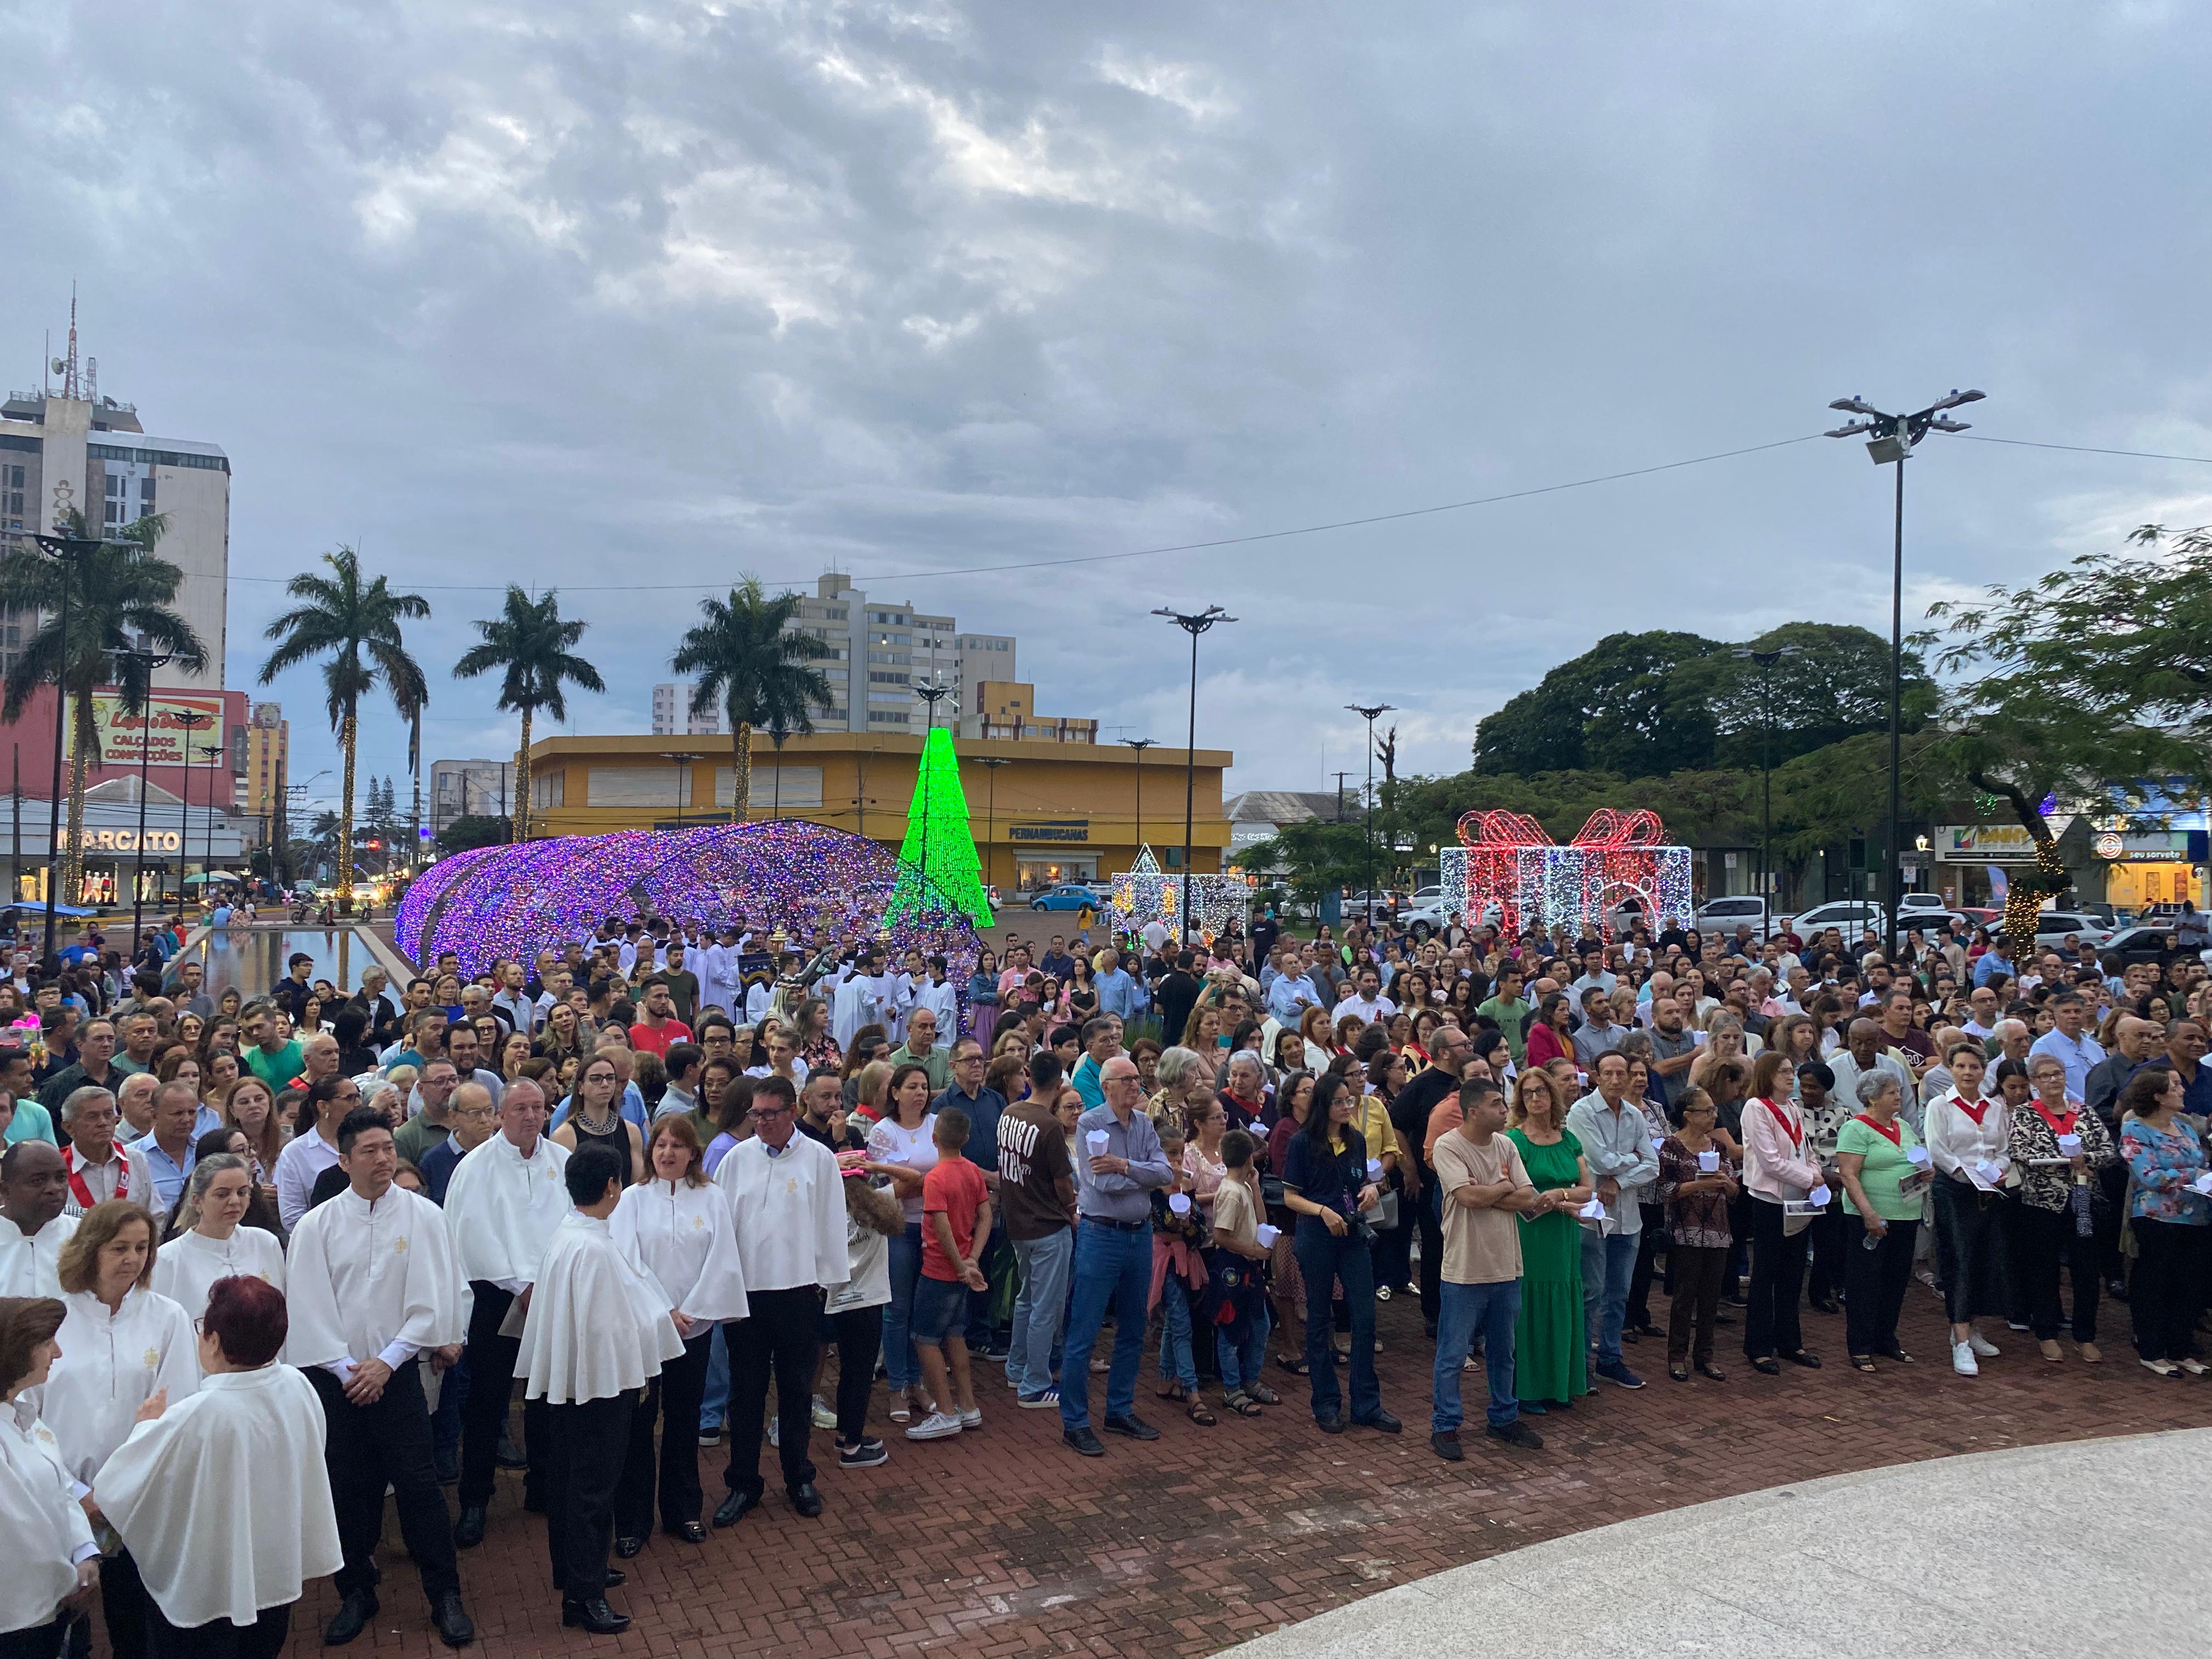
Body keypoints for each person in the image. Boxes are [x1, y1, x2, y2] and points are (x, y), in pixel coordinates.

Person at [285, 1106, 473, 1648]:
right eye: (369, 1151)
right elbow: (309, 1307)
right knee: (349, 1488)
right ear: (344, 1161)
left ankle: (444, 1593)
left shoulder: (423, 1217)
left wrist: (385, 1363)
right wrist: (349, 1369)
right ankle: (357, 1591)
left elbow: (432, 1301)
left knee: (418, 1486)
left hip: (396, 1375)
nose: (383, 1159)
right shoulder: (318, 1225)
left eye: (388, 1148)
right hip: (337, 1380)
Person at [91, 1276, 342, 1659]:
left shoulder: (196, 1414)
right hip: (271, 1567)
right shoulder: (297, 1385)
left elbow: (117, 1487)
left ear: (215, 1341)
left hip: (206, 1587)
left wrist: (146, 1425)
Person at [518, 1147, 684, 1637]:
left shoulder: (570, 1234)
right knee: (592, 1489)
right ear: (611, 1187)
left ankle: (573, 1569)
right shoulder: (591, 1247)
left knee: (572, 1480)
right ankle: (583, 1598)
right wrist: (659, 1324)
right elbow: (610, 1327)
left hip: (572, 1379)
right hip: (598, 1385)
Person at [46, 1201, 198, 1659]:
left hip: (141, 1497)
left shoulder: (167, 1316)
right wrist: (78, 1495)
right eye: (119, 1248)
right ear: (90, 1250)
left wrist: (123, 1489)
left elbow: (178, 1409)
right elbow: (28, 1418)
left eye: (142, 1248)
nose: (132, 1259)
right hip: (65, 1498)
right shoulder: (53, 1316)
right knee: (64, 1622)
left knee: (137, 1625)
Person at [710, 1075, 847, 1525]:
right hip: (746, 1297)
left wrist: (828, 1284)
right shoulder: (735, 1160)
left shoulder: (819, 1159)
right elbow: (721, 1227)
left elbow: (830, 1221)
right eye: (756, 1114)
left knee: (795, 1392)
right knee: (745, 1395)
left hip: (797, 1292)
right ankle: (743, 1483)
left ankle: (798, 1477)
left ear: (792, 1111)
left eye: (771, 1113)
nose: (762, 1122)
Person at [609, 1118, 748, 1553]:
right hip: (647, 1329)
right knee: (638, 1423)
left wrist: (691, 1310)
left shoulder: (711, 1197)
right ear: (650, 1151)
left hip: (695, 1326)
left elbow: (722, 1256)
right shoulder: (632, 1199)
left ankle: (683, 1510)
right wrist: (661, 1310)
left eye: (677, 1146)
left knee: (684, 1421)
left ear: (693, 1153)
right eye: (661, 1146)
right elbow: (625, 1260)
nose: (668, 1154)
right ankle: (632, 1520)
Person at [442, 1079, 570, 1548]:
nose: (531, 1117)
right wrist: (521, 1284)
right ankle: (476, 1500)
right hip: (498, 1296)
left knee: (547, 1397)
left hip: (555, 1294)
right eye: (520, 1108)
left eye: (538, 1108)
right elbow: (471, 1235)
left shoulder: (561, 1161)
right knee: (488, 1402)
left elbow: (577, 1221)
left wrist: (549, 1282)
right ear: (501, 1113)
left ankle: (542, 1486)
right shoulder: (475, 1167)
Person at [1057, 1056, 1175, 1455]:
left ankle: (1119, 1410)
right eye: (1126, 1080)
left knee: (1133, 1328)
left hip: (1139, 1236)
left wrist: (1125, 1165)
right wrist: (1138, 1175)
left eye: (1138, 1080)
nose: (1134, 1085)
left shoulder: (1143, 1123)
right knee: (1084, 1332)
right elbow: (1102, 1182)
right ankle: (1075, 1422)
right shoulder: (1091, 1123)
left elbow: (1165, 1174)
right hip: (1101, 1235)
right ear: (1106, 1085)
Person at [1429, 1077, 1543, 1460]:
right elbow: (1467, 1196)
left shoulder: (1507, 1144)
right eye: (1497, 1103)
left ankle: (1503, 1417)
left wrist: (1489, 1190)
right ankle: (1445, 1425)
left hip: (1508, 1267)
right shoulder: (1448, 1146)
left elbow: (1529, 1197)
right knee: (1452, 1352)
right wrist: (1502, 1187)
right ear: (1473, 1110)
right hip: (1465, 1268)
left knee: (1504, 1350)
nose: (1505, 1109)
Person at [1280, 1073, 1398, 1435]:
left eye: (1350, 1101)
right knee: (1319, 1319)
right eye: (1340, 1101)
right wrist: (1321, 1211)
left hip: (1352, 1235)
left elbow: (1359, 1182)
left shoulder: (1357, 1140)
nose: (1348, 1107)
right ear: (1323, 1105)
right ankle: (1326, 1403)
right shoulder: (1302, 1143)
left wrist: (1372, 1190)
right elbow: (1290, 1196)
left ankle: (1366, 1404)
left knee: (1364, 1318)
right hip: (1317, 1236)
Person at [0, 1294, 100, 1658]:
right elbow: (22, 1529)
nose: (57, 1353)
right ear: (13, 1352)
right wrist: (70, 1580)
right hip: (19, 1618)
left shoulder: (27, 1417)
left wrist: (84, 1551)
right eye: (45, 1343)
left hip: (55, 1603)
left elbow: (62, 1490)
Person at [2007, 1051, 2117, 1364]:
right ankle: (2047, 1333)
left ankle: (2086, 1335)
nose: (2052, 1080)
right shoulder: (2025, 1114)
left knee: (2086, 1269)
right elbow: (2021, 1152)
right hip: (2042, 1203)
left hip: (2082, 1199)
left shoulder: (2085, 1112)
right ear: (2033, 1082)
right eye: (2044, 1076)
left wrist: (2087, 1160)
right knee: (2043, 1269)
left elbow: (2107, 1150)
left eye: (2057, 1074)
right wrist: (2064, 1160)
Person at [1563, 1052, 1657, 1389]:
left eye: (1623, 1073)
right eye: (1610, 1073)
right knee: (1592, 1292)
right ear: (1597, 1077)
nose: (1617, 1079)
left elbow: (1654, 1165)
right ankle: (1582, 1366)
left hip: (1627, 1216)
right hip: (1592, 1217)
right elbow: (1598, 1160)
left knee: (1619, 1293)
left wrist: (1619, 1181)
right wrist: (1631, 1160)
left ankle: (1610, 1360)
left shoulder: (1634, 1115)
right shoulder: (1581, 1112)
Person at [1925, 1045, 2015, 1377]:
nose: (1967, 1072)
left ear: (1983, 1071)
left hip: (1989, 1192)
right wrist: (1967, 1173)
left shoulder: (1994, 1107)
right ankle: (1959, 1342)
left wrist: (1997, 1169)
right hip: (1956, 1191)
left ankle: (1971, 1328)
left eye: (1974, 1067)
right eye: (1960, 1066)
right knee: (1958, 1261)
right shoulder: (1941, 1105)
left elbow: (2002, 1149)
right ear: (1951, 1069)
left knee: (1984, 1260)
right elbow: (1937, 1149)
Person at [1504, 1071, 1591, 1412]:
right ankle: (1527, 1389)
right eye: (1528, 1093)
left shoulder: (1568, 1139)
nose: (1535, 1098)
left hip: (1564, 1234)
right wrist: (1557, 1202)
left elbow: (1587, 1187)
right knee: (1530, 1307)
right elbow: (1513, 1191)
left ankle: (1559, 1385)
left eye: (1541, 1091)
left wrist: (1561, 1194)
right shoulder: (1515, 1140)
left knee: (1564, 1301)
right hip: (1532, 1232)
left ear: (1552, 1095)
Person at [904, 1109, 991, 1441]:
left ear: (934, 1138)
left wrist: (959, 1266)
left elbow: (940, 1226)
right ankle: (968, 1405)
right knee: (955, 1335)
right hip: (960, 1268)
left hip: (940, 1270)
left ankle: (946, 1410)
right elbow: (984, 1216)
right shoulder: (971, 1171)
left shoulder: (938, 1177)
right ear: (966, 1140)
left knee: (925, 1339)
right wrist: (973, 1260)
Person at [2117, 1065, 2210, 1376]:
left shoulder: (2185, 1128)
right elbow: (2149, 1174)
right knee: (2156, 1283)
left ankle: (2180, 1348)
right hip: (2158, 1218)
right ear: (2157, 1096)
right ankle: (2152, 1350)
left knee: (2190, 1285)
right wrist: (2193, 1176)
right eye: (2174, 1086)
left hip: (2196, 1217)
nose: (2182, 1090)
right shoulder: (2136, 1129)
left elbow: (2201, 1162)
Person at [1834, 1071, 1928, 1373]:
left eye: (1899, 1091)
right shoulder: (1855, 1129)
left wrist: (1928, 1171)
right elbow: (1849, 1174)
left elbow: (1918, 1156)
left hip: (1907, 1214)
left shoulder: (1902, 1126)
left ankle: (1885, 1338)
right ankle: (1860, 1346)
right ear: (1873, 1097)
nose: (1899, 1096)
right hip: (1872, 1217)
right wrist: (1869, 1214)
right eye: (1892, 1093)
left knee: (1896, 1280)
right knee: (1865, 1281)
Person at [997, 1052, 1075, 1411]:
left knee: (1027, 1298)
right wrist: (1072, 1209)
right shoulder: (1049, 1126)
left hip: (1018, 1224)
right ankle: (1034, 1384)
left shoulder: (1009, 1114)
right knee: (1047, 1307)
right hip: (1047, 1226)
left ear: (1029, 1075)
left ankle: (1017, 1368)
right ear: (1060, 1085)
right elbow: (1063, 1184)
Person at [1738, 1052, 1824, 1375]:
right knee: (1766, 1275)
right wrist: (1810, 1177)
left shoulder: (1793, 1107)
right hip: (1770, 1201)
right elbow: (1770, 1161)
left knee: (1793, 1272)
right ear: (1768, 1075)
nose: (1791, 1076)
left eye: (1792, 1071)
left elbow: (1807, 1150)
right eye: (1784, 1072)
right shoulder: (1756, 1108)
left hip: (1798, 1200)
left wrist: (1814, 1173)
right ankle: (1758, 1347)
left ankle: (1790, 1341)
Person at [865, 1064, 938, 1424]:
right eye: (912, 1087)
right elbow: (902, 1184)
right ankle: (896, 1387)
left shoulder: (936, 1125)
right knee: (896, 1311)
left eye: (924, 1086)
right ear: (895, 1093)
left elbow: (936, 1176)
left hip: (933, 1229)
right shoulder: (883, 1131)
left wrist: (924, 1180)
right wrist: (929, 1180)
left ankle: (916, 1382)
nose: (921, 1093)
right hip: (899, 1230)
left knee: (922, 1311)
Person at [823, 1153, 903, 1471]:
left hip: (839, 1302)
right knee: (861, 1374)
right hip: (868, 1301)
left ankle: (845, 1434)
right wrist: (877, 1166)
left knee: (848, 1371)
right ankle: (853, 1448)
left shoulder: (827, 1214)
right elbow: (915, 1179)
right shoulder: (879, 1206)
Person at [1656, 1086, 1736, 1384]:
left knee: (1711, 1298)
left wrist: (1727, 1184)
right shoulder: (1672, 1146)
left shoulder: (1718, 1146)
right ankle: (1677, 1357)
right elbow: (1665, 1189)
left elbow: (1734, 1189)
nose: (1713, 1115)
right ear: (1688, 1115)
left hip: (1718, 1231)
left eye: (1714, 1110)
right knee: (1684, 1296)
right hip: (1686, 1231)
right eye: (1707, 1111)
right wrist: (1700, 1184)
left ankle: (1706, 1356)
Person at [149, 1156, 284, 1329]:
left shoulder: (265, 1242)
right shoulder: (169, 1258)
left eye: (242, 1192)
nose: (235, 1201)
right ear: (197, 1200)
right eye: (222, 1194)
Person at [1206, 1129, 1274, 1418]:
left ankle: (1250, 1380)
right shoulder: (1231, 1194)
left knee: (1260, 1324)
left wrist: (1256, 1188)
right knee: (1231, 1329)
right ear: (1250, 1158)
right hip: (1234, 1268)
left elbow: (1262, 1220)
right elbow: (1220, 1236)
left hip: (1249, 1266)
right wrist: (1255, 1250)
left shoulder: (1244, 1187)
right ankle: (1233, 1388)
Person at [55, 1087, 156, 1217]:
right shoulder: (56, 1168)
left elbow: (154, 1213)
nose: (103, 1122)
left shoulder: (136, 1159)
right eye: (92, 1117)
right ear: (69, 1127)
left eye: (108, 1114)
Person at [1, 1142, 76, 1297]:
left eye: (61, 1178)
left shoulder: (85, 1236)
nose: (54, 1188)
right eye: (38, 1181)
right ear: (5, 1190)